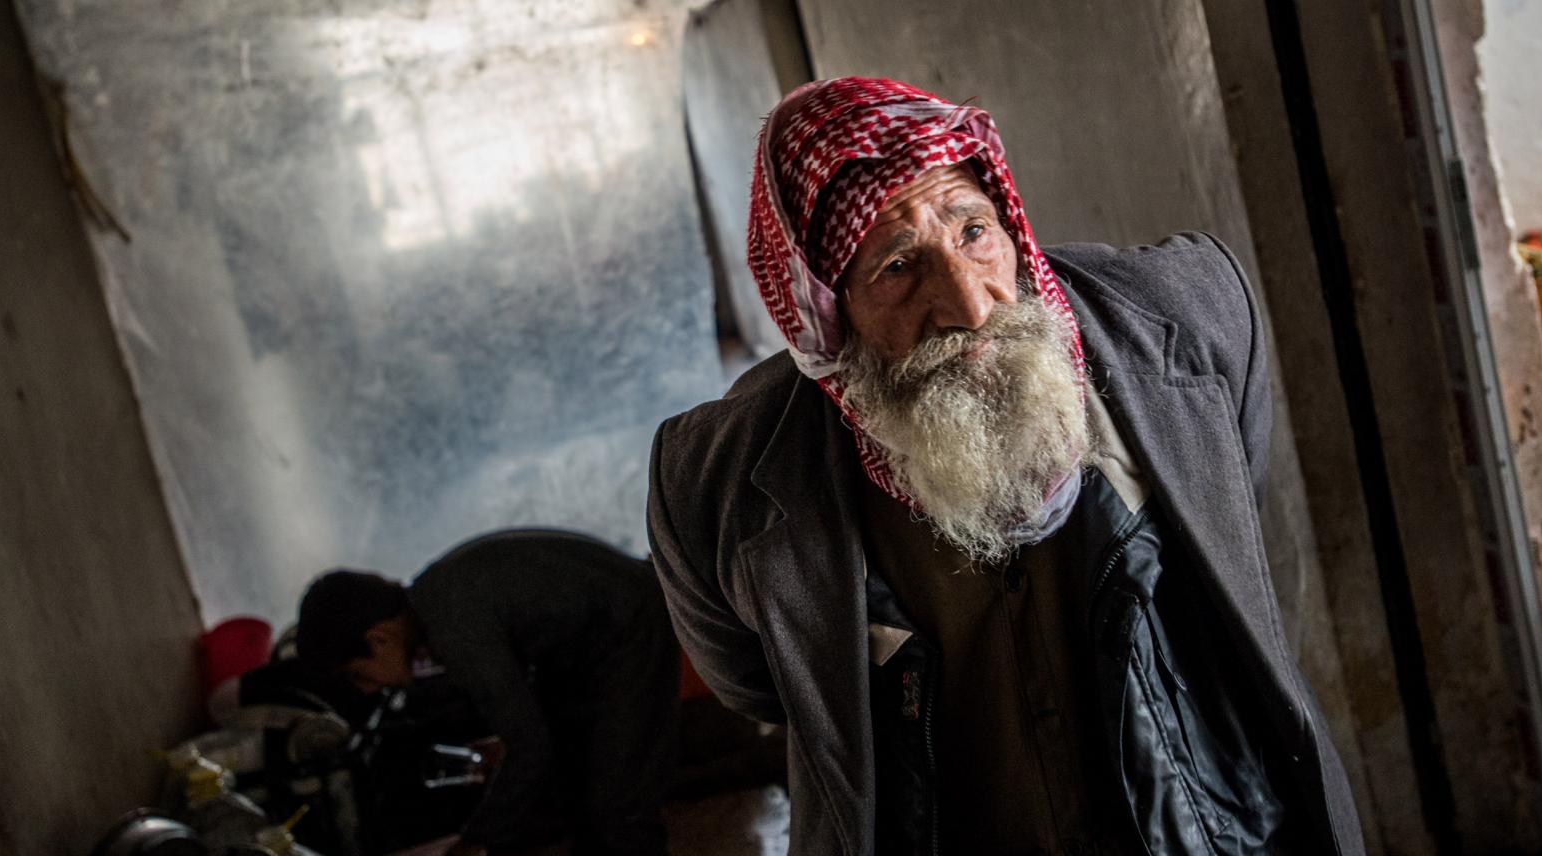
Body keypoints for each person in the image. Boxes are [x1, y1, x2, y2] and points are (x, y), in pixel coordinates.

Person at [646, 76, 1365, 855]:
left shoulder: (1188, 316)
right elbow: (767, 686)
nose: (970, 305)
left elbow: (1230, 521)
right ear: (823, 306)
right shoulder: (715, 483)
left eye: (973, 232)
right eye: (896, 267)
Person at [294, 529, 679, 856]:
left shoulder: (453, 627)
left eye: (359, 674)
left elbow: (531, 748)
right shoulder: (435, 597)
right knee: (579, 794)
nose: (370, 688)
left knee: (618, 809)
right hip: (600, 634)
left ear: (379, 638)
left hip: (629, 629)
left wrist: (475, 842)